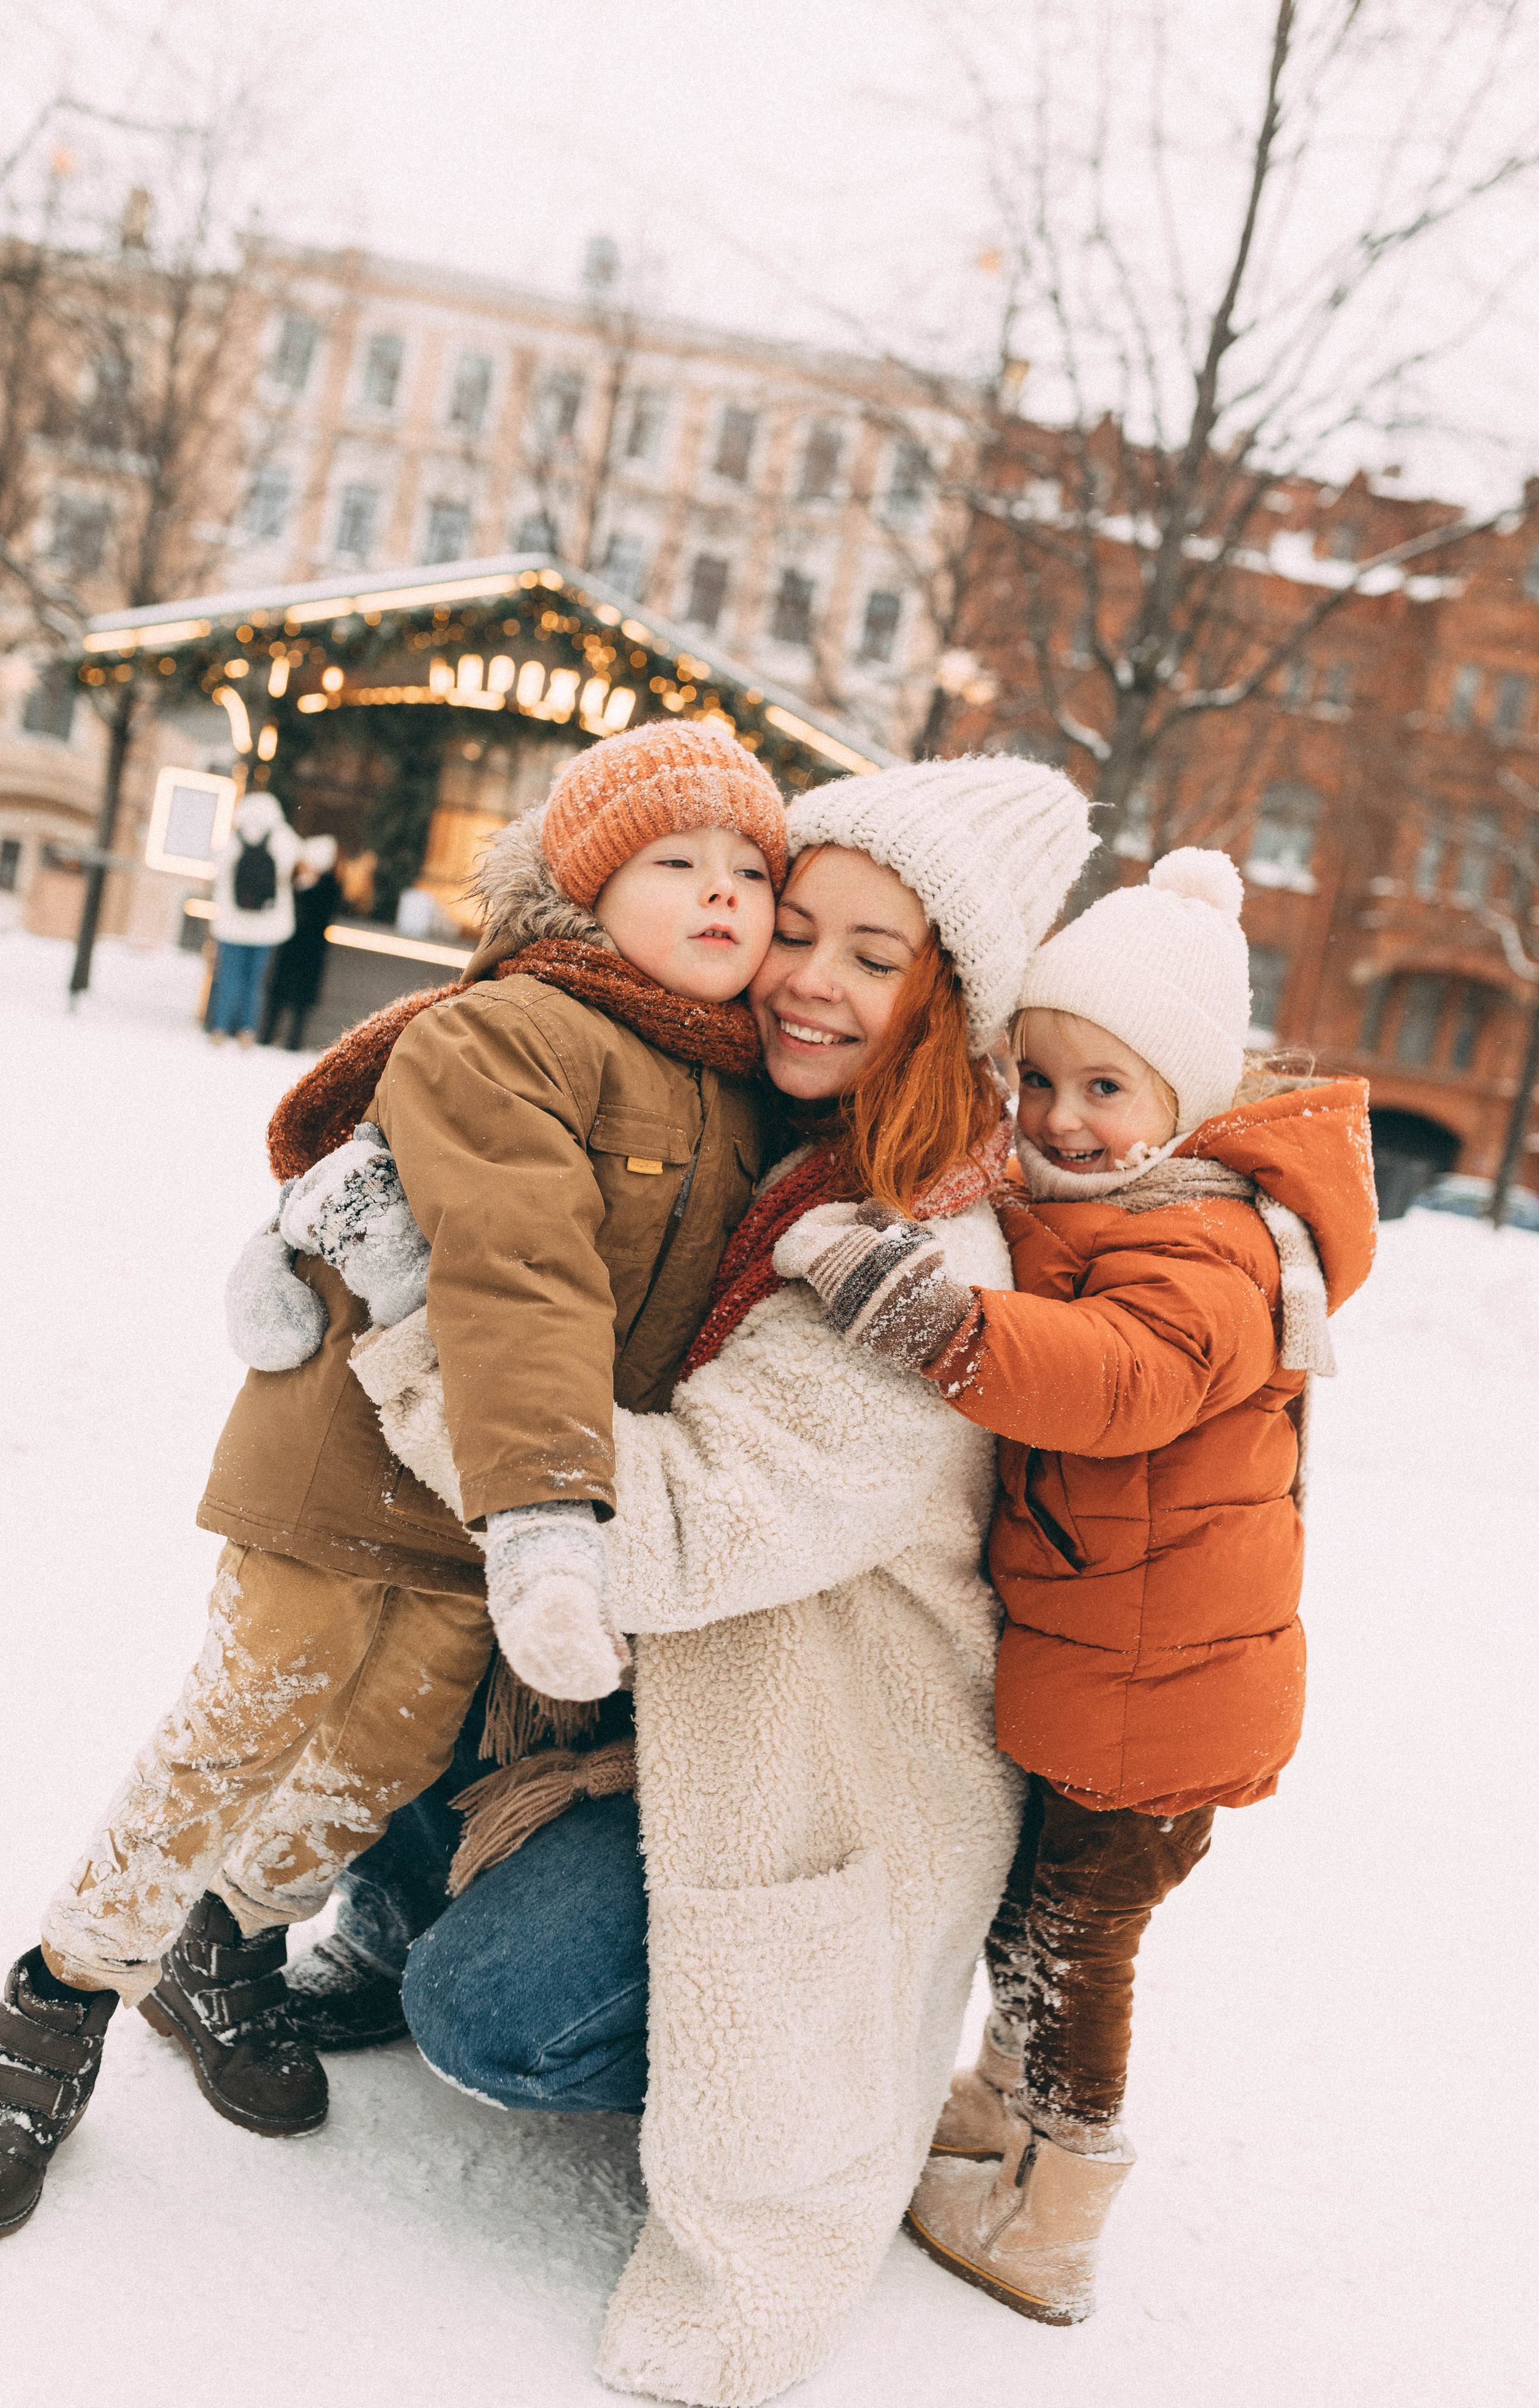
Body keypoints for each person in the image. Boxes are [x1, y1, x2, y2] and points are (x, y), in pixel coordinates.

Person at [291, 754, 1098, 2405]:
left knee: (489, 2015)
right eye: (800, 928)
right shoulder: (763, 1149)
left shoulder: (923, 1256)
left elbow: (663, 1527)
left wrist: (418, 1334)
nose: (808, 977)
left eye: (877, 960)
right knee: (393, 1644)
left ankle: (669, 2003)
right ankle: (448, 1857)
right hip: (683, 1709)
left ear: (955, 1006)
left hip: (827, 1781)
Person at [0, 720, 788, 2244]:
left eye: (749, 866)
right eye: (677, 862)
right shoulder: (513, 1031)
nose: (723, 890)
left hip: (485, 1516)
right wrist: (545, 1514)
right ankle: (53, 2008)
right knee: (242, 1720)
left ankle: (227, 1936)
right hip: (353, 1466)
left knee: (386, 1752)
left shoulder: (739, 1089)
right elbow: (517, 1270)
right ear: (590, 892)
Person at [785, 848, 1377, 2327]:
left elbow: (1110, 1384)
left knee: (1072, 1945)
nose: (1058, 1118)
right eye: (1035, 1079)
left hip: (1155, 1694)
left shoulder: (1204, 1247)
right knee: (1032, 1924)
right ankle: (999, 2104)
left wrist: (920, 1310)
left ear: (1183, 1097)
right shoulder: (1126, 1202)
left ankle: (1053, 2208)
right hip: (1119, 1664)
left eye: (1103, 1089)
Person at [204, 785, 304, 1045]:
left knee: (229, 976)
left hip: (232, 922)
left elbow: (217, 871)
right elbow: (299, 870)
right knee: (255, 981)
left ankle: (220, 1028)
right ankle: (248, 1031)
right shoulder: (283, 838)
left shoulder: (234, 839)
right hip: (268, 925)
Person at [258, 833, 342, 1050]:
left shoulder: (326, 886)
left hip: (307, 948)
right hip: (297, 947)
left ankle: (291, 1040)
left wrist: (306, 890)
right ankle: (269, 1035)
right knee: (282, 994)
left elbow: (317, 916)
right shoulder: (300, 883)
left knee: (298, 999)